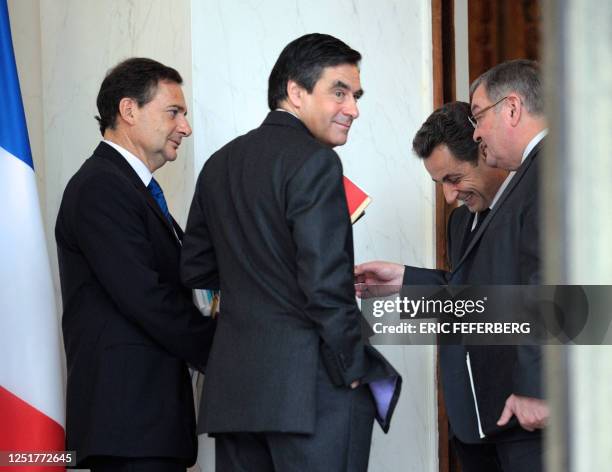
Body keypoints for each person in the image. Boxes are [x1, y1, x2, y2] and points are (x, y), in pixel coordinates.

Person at [181, 33, 401, 472]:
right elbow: (324, 286)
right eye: (339, 92)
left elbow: (196, 270)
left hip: (237, 395)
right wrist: (353, 366)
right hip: (312, 390)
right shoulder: (316, 162)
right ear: (295, 92)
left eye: (355, 96)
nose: (353, 108)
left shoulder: (218, 164)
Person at [356, 82, 547, 471]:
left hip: (526, 426)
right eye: (439, 183)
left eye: (454, 178)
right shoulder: (461, 222)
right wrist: (406, 280)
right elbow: (472, 301)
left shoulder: (536, 196)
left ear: (486, 151)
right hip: (472, 428)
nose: (448, 196)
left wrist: (536, 388)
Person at [55, 58, 216, 472]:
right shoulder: (101, 187)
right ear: (129, 111)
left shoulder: (130, 188)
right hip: (128, 424)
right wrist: (222, 347)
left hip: (146, 424)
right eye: (173, 112)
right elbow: (146, 297)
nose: (186, 126)